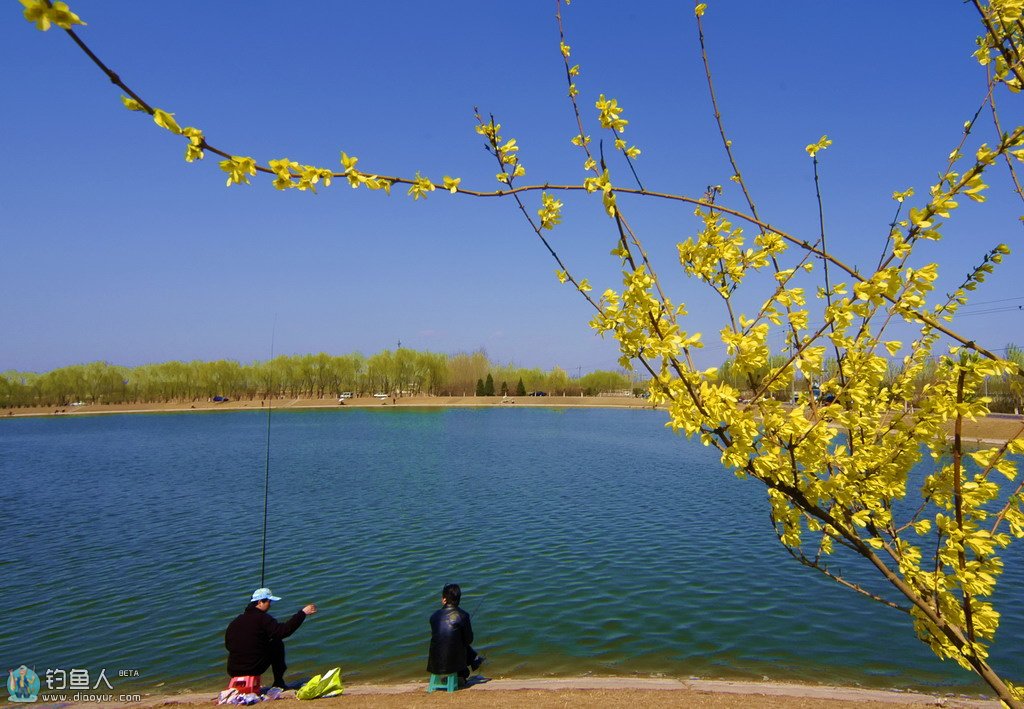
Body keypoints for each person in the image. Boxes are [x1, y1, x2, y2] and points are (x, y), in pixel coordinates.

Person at [224, 587, 317, 689]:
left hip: (233, 670)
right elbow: (284, 631)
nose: (270, 605)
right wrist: (303, 613)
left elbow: (228, 645)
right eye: (269, 602)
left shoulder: (235, 622)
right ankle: (278, 682)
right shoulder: (263, 619)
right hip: (253, 668)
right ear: (260, 602)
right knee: (277, 643)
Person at [426, 583, 484, 684]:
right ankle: (475, 661)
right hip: (454, 664)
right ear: (459, 599)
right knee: (464, 646)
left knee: (451, 642)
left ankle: (475, 661)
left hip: (434, 664)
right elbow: (469, 640)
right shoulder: (463, 615)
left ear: (444, 599)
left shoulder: (434, 616)